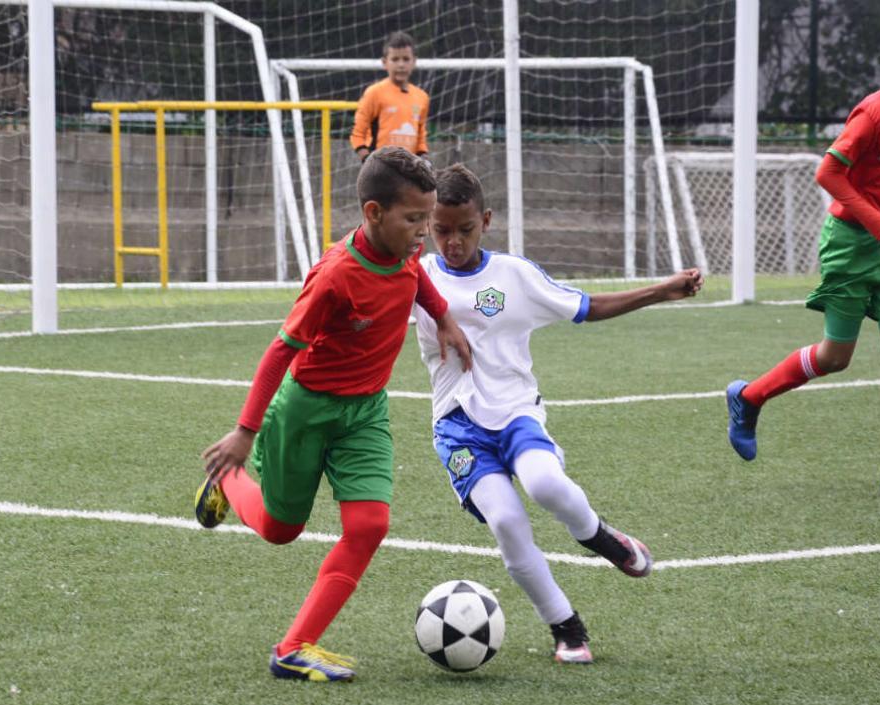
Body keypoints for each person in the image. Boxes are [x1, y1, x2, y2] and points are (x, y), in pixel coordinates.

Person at [194, 147, 471, 683]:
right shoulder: (336, 275)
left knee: (369, 525)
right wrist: (244, 433)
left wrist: (443, 319)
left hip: (366, 413)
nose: (425, 232)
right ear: (373, 213)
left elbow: (416, 277)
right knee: (280, 530)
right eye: (415, 219)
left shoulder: (404, 250)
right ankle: (228, 478)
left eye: (427, 218)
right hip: (305, 410)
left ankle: (294, 647)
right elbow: (280, 350)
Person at [412, 163, 703, 664]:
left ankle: (600, 536)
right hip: (457, 426)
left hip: (517, 412)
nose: (452, 241)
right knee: (505, 521)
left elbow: (585, 306)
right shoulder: (413, 277)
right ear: (426, 225)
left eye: (464, 229)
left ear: (486, 220)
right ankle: (567, 627)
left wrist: (661, 289)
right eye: (440, 230)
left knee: (546, 485)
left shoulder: (514, 276)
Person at [726, 15, 880, 496]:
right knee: (836, 357)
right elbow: (829, 174)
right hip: (851, 245)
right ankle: (749, 397)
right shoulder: (871, 114)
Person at [350, 31, 429, 162]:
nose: (401, 65)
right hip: (381, 168)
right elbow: (357, 134)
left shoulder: (422, 97)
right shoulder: (374, 93)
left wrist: (424, 158)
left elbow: (421, 137)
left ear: (414, 62)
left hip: (409, 170)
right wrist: (368, 159)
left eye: (406, 59)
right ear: (384, 62)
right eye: (395, 59)